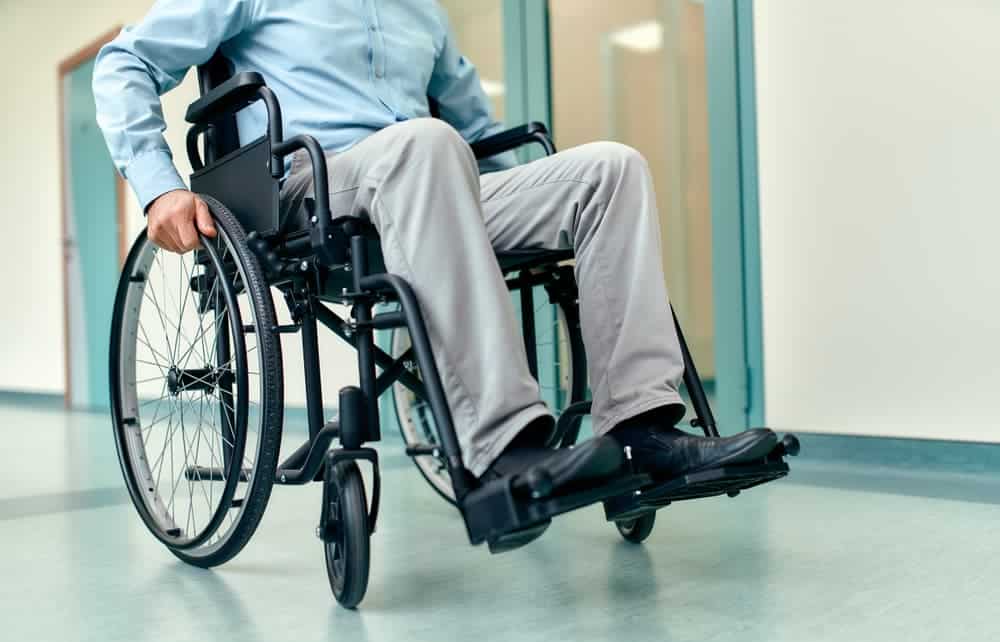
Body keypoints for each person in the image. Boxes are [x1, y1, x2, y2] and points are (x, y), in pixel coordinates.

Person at [93, 0, 777, 494]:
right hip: (310, 184)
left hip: (432, 175)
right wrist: (159, 189)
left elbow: (477, 126)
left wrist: (533, 212)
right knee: (426, 142)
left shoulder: (423, 10)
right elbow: (123, 62)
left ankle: (642, 428)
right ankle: (504, 447)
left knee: (609, 168)